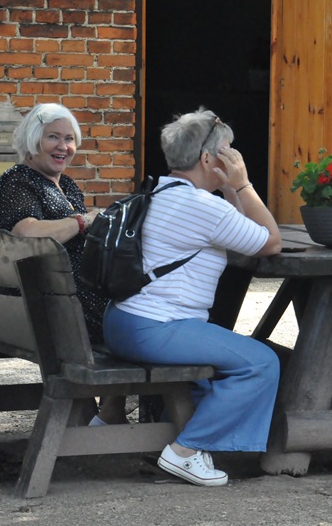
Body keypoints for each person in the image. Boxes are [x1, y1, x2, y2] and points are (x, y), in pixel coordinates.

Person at [102, 108, 282, 487]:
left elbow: (239, 227)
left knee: (211, 371)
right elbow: (270, 242)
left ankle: (192, 443)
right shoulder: (203, 207)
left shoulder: (156, 191)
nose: (234, 158)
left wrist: (229, 189)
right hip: (156, 329)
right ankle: (184, 452)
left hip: (120, 323)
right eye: (228, 151)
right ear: (207, 158)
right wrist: (243, 185)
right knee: (261, 362)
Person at [0, 102, 126, 426]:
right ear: (33, 140)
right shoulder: (18, 181)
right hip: (46, 308)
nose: (63, 146)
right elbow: (27, 234)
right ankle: (119, 409)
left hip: (58, 301)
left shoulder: (66, 186)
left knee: (130, 304)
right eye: (53, 137)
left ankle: (110, 409)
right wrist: (83, 221)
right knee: (134, 318)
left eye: (69, 139)